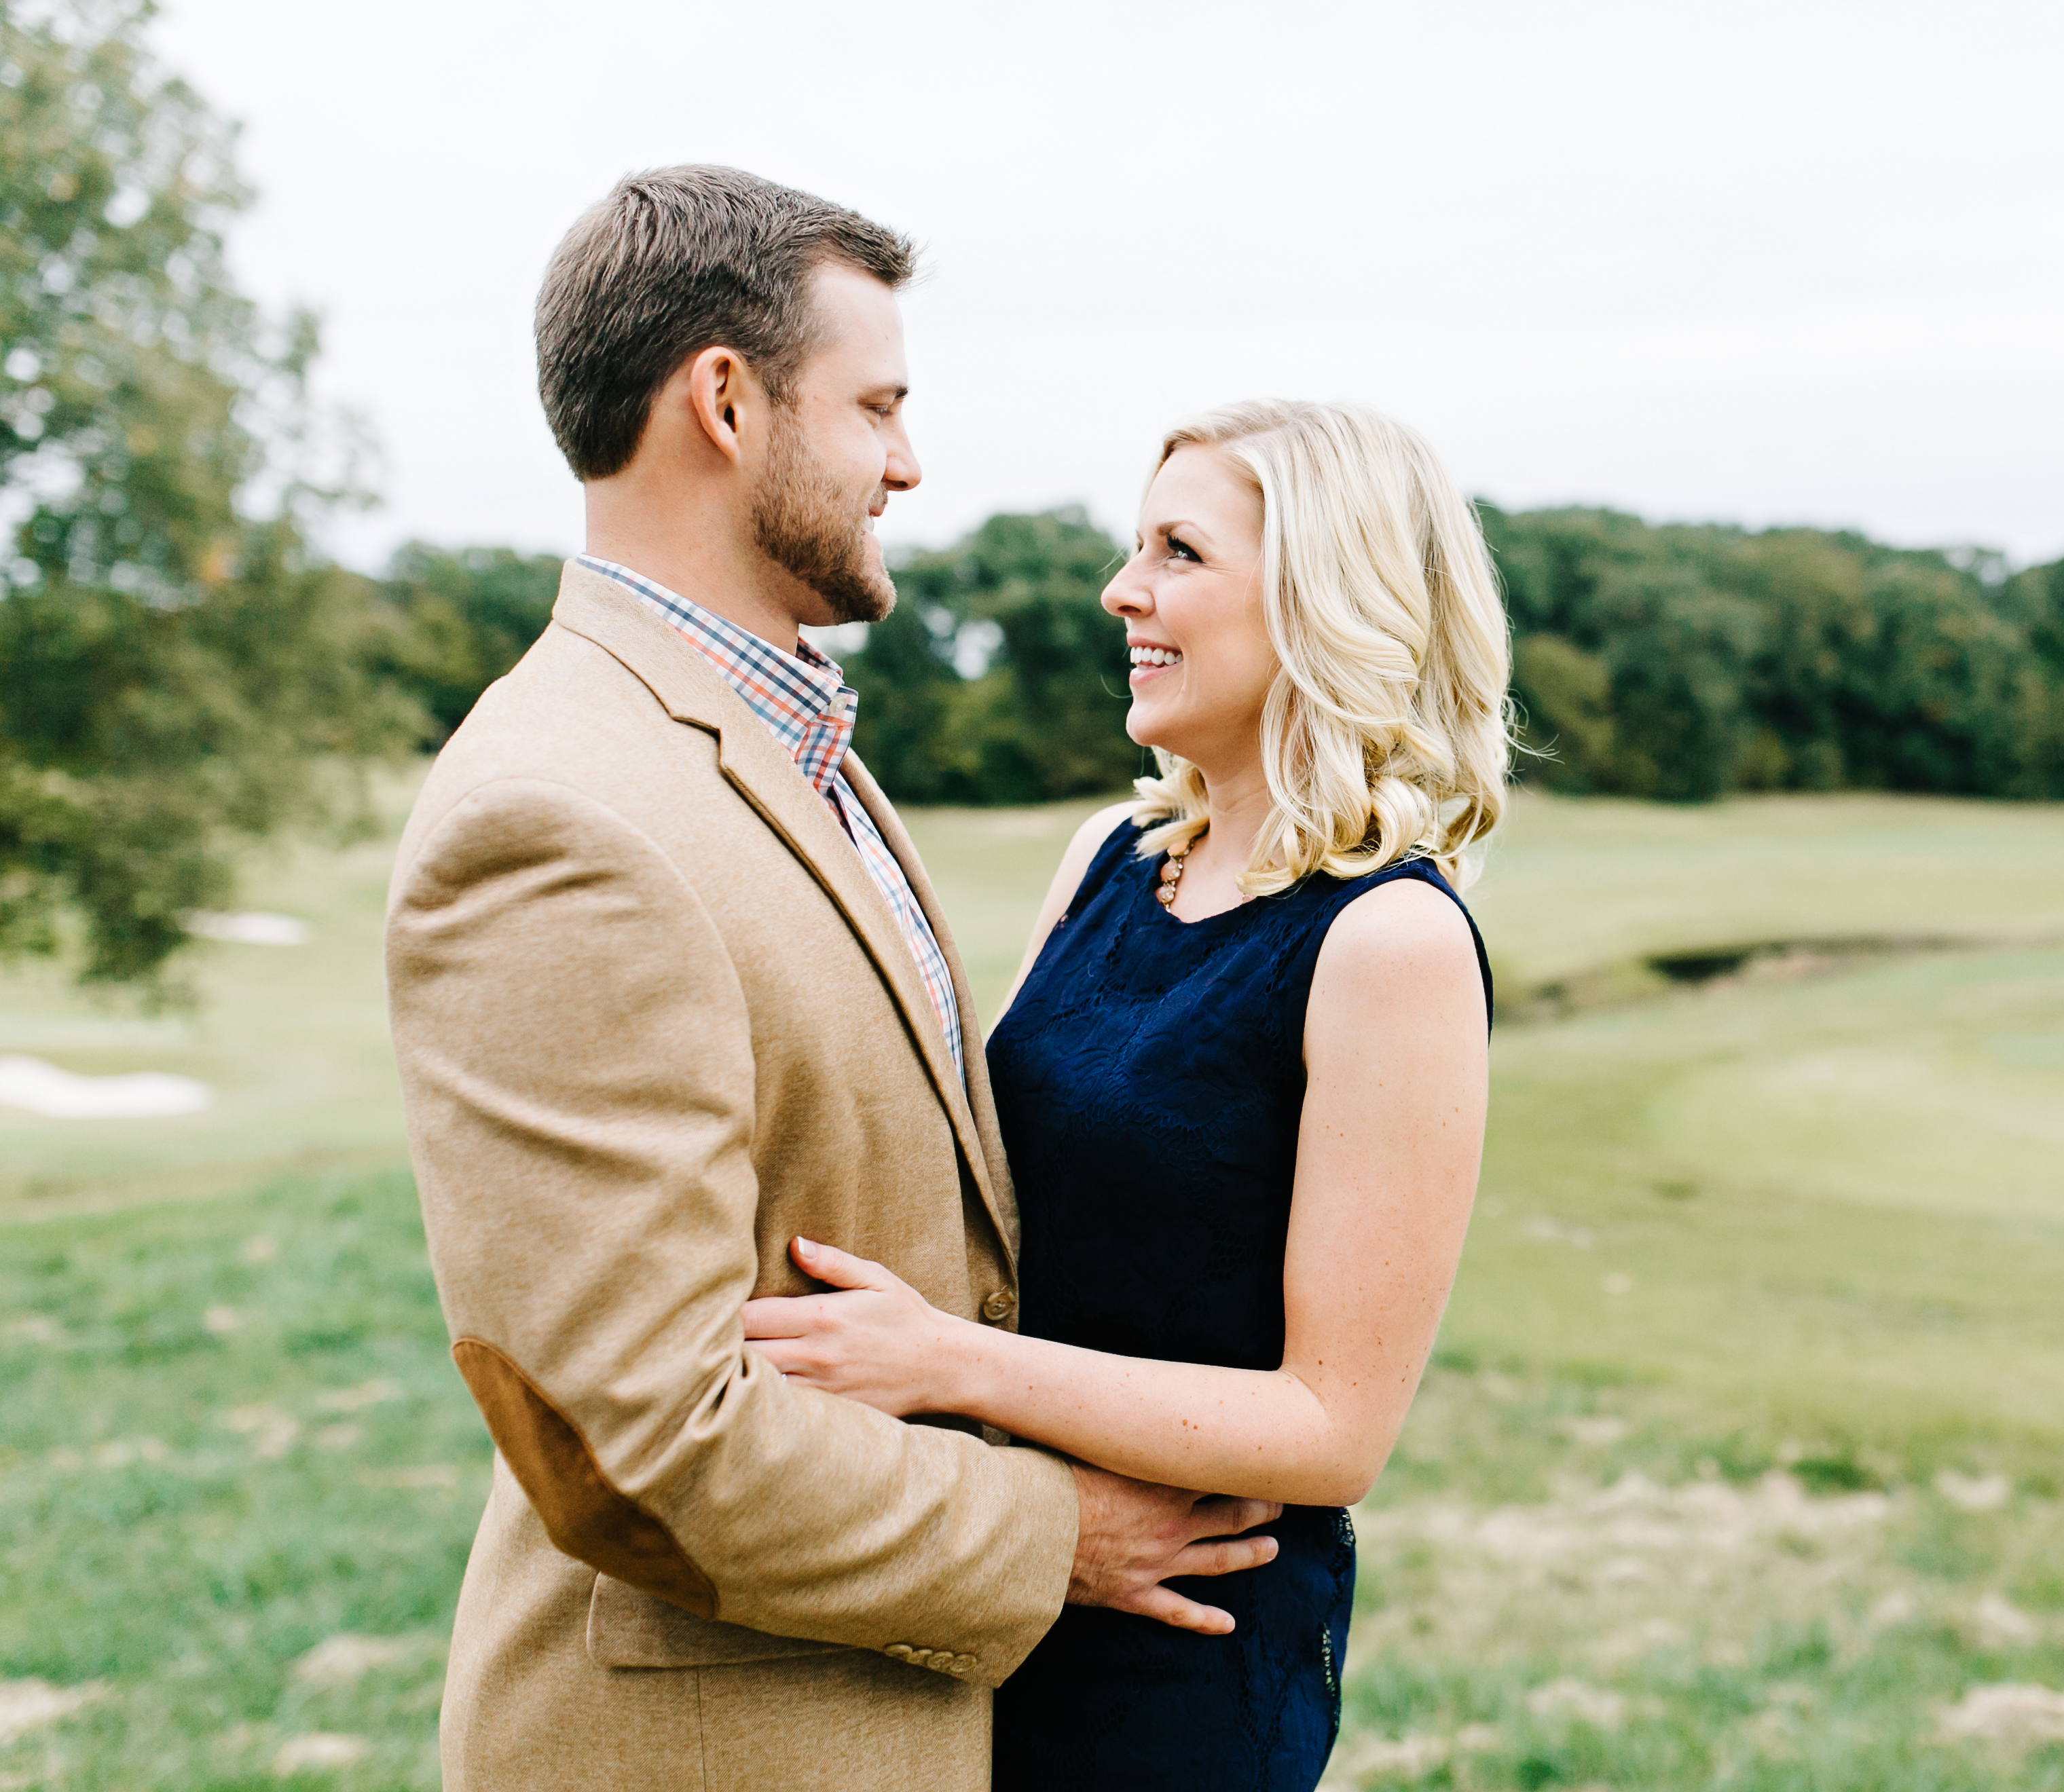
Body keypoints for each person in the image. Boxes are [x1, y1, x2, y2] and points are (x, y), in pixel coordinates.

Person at [384, 166, 1275, 1792]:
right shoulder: (556, 812)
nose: (911, 464)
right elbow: (632, 1439)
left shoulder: (785, 747)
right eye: (878, 406)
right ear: (725, 400)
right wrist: (1053, 1530)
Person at [739, 398, 1509, 1788]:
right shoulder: (1108, 855)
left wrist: (949, 1362)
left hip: (1176, 1648)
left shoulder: (1387, 943)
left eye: (1180, 552)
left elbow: (1334, 1429)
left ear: (1323, 599)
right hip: (996, 1588)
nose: (1121, 591)